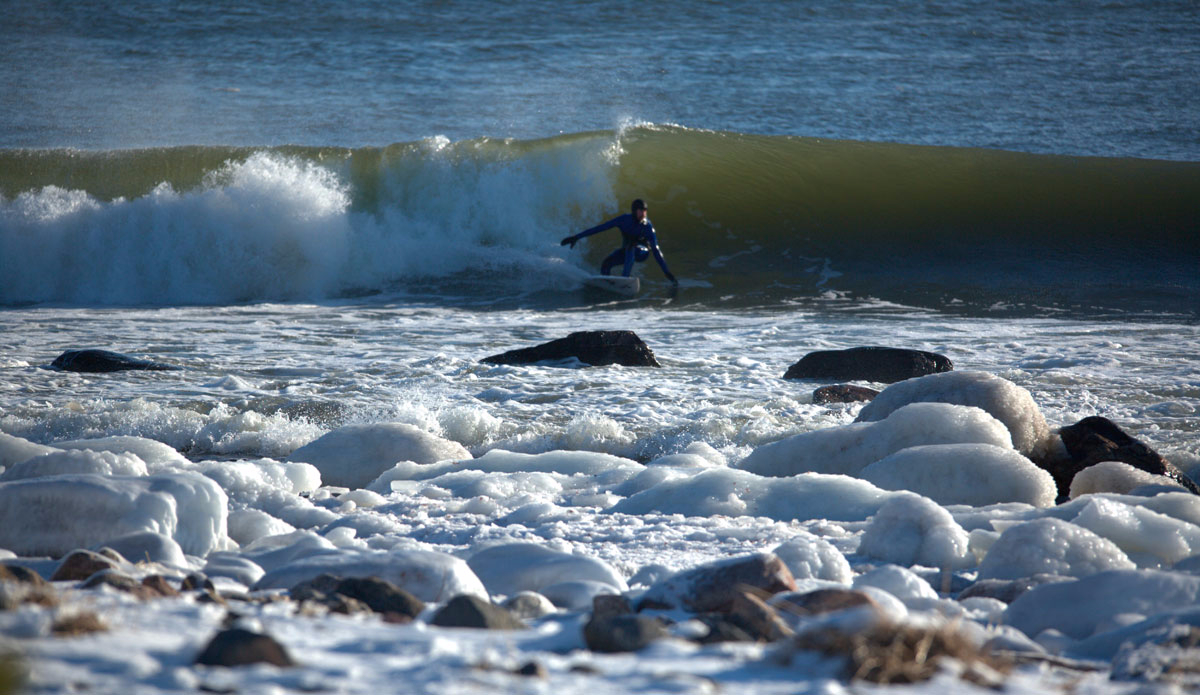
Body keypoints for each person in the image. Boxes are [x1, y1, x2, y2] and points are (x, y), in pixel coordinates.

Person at [561, 199, 678, 285]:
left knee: (631, 247)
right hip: (627, 251)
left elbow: (656, 250)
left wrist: (666, 272)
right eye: (640, 210)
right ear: (634, 211)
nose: (643, 213)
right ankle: (608, 285)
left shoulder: (648, 226)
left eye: (645, 211)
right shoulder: (623, 220)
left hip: (642, 252)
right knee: (606, 263)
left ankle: (624, 280)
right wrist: (576, 237)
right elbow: (600, 228)